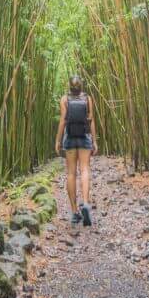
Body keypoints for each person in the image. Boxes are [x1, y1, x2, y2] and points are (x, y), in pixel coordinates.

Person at [55, 75, 98, 226]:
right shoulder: (88, 99)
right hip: (84, 136)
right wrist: (94, 140)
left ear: (69, 87)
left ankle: (74, 212)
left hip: (70, 137)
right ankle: (85, 203)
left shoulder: (64, 99)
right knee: (85, 169)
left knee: (71, 173)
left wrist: (58, 141)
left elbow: (62, 121)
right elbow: (91, 119)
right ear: (81, 86)